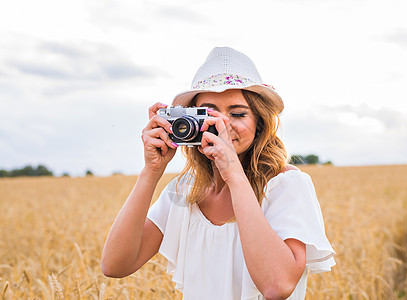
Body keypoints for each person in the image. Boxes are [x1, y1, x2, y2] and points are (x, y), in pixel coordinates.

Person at [101, 47, 335, 300]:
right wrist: (151, 172)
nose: (221, 124)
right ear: (188, 122)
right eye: (208, 114)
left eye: (237, 114)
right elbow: (115, 265)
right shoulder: (185, 191)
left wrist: (233, 172)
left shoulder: (286, 185)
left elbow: (276, 286)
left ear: (260, 123)